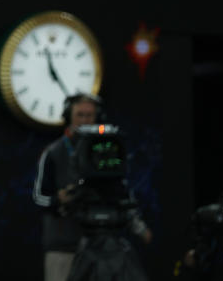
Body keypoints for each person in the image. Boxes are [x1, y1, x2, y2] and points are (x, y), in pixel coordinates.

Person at [33, 94, 152, 281]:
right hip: (64, 248)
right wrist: (59, 199)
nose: (84, 120)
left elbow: (121, 191)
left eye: (89, 115)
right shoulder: (53, 153)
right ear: (68, 117)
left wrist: (140, 228)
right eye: (80, 115)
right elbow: (38, 198)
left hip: (106, 246)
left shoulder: (109, 149)